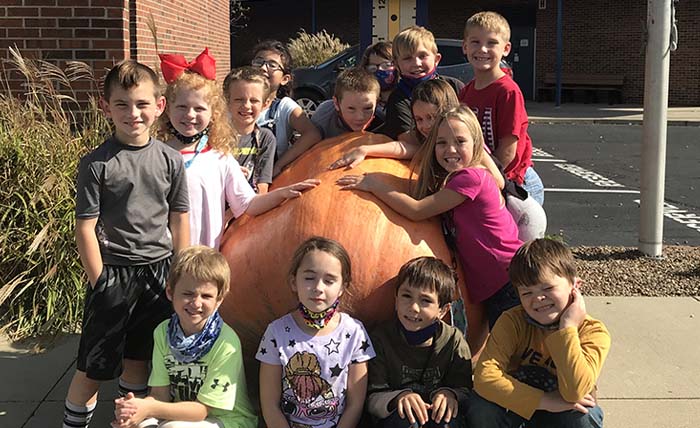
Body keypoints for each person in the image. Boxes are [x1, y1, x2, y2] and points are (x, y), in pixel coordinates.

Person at [64, 60, 190, 428]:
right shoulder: (96, 164)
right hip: (113, 275)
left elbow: (179, 219)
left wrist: (178, 273)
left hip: (159, 273)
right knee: (93, 365)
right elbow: (85, 227)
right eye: (121, 104)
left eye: (141, 104)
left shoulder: (170, 159)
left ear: (159, 106)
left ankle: (128, 421)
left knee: (140, 358)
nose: (132, 113)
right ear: (106, 107)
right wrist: (99, 281)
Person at [337, 106, 522, 329]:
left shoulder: (471, 178)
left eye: (460, 141)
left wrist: (374, 185)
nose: (450, 149)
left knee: (519, 349)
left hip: (508, 279)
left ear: (477, 144)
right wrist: (367, 149)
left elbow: (417, 210)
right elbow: (410, 151)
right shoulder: (456, 178)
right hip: (498, 281)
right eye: (441, 143)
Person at [158, 50, 320, 250]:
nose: (190, 115)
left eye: (199, 109)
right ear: (167, 108)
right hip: (162, 258)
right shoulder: (157, 155)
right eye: (182, 107)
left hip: (207, 257)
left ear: (213, 112)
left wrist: (283, 193)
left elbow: (248, 203)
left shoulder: (221, 157)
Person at [467, 238, 611, 428]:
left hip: (563, 412)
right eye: (527, 293)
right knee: (482, 407)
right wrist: (545, 401)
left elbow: (575, 392)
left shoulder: (593, 332)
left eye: (548, 288)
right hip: (519, 407)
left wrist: (568, 327)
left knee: (583, 415)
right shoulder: (512, 321)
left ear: (575, 286)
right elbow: (484, 377)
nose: (538, 299)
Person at [112, 246, 258, 428]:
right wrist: (133, 411)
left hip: (228, 421)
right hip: (183, 416)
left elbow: (202, 411)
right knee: (142, 425)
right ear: (170, 292)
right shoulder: (162, 332)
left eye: (206, 296)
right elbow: (159, 395)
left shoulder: (226, 343)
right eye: (188, 294)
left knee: (171, 427)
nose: (196, 303)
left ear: (219, 299)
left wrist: (148, 407)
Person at [256, 237, 375, 428]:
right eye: (309, 278)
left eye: (329, 280)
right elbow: (270, 405)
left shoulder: (354, 332)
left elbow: (355, 404)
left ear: (343, 287)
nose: (318, 288)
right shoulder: (276, 333)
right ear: (294, 282)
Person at [367, 257, 472, 428]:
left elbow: (466, 391)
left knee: (448, 421)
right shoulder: (381, 339)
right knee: (408, 421)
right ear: (396, 298)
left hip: (437, 418)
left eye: (425, 301)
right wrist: (398, 398)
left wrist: (450, 394)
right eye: (407, 296)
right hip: (399, 419)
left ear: (443, 310)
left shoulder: (453, 341)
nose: (413, 307)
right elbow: (372, 398)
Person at [460, 11, 545, 205]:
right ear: (464, 47)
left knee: (515, 236)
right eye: (475, 42)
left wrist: (485, 180)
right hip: (486, 177)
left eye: (491, 43)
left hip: (514, 184)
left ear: (506, 48)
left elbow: (508, 151)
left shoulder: (508, 91)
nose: (482, 49)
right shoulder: (466, 92)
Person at [251, 40, 322, 175]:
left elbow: (312, 134)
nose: (263, 68)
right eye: (259, 62)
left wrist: (280, 164)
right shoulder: (235, 103)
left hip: (271, 182)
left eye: (272, 65)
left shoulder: (283, 107)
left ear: (285, 79)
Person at [383, 26, 464, 140]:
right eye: (407, 58)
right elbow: (410, 141)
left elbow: (472, 127)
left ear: (437, 59)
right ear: (396, 65)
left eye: (422, 56)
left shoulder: (455, 86)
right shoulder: (398, 99)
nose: (416, 63)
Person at [223, 66, 276, 193]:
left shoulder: (266, 139)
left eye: (254, 101)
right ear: (227, 101)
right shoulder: (216, 137)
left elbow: (263, 186)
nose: (246, 106)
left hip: (250, 204)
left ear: (265, 104)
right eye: (239, 99)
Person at [310, 67, 381, 139]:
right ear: (336, 104)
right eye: (351, 108)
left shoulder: (383, 121)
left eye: (367, 108)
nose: (360, 117)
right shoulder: (322, 120)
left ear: (377, 103)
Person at [359, 41, 397, 131]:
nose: (379, 70)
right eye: (373, 68)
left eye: (386, 65)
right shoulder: (362, 100)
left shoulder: (406, 99)